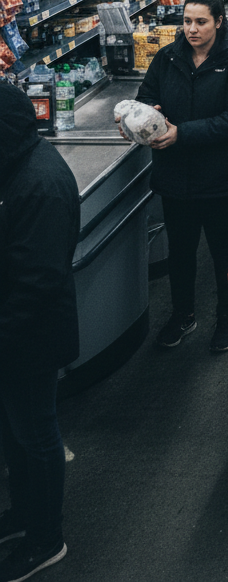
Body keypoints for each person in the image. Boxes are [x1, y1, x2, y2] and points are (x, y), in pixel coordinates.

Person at [129, 0, 228, 352]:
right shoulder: (167, 58)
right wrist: (139, 118)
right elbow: (147, 96)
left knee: (222, 252)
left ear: (219, 22)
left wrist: (180, 133)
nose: (192, 29)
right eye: (187, 21)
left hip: (220, 177)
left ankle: (226, 318)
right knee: (181, 253)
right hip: (176, 177)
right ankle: (182, 315)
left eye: (201, 22)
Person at [0, 83, 79, 582]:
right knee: (16, 433)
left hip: (30, 335)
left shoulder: (39, 182)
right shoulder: (19, 165)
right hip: (18, 330)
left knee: (37, 434)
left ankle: (47, 538)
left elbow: (38, 281)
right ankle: (27, 515)